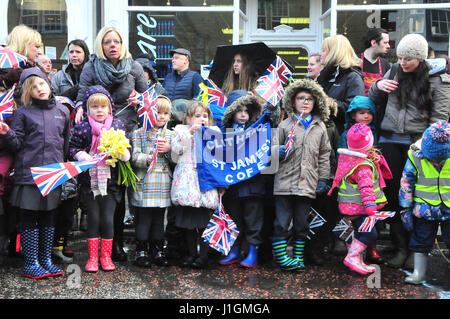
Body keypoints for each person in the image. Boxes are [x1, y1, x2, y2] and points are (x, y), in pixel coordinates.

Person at [369, 33, 450, 269]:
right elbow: (373, 99)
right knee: (393, 197)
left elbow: (440, 121)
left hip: (417, 146)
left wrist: (423, 146)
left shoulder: (438, 80)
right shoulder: (393, 70)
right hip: (389, 142)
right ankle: (400, 247)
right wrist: (378, 85)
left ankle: (416, 250)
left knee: (416, 199)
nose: (403, 63)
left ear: (421, 59)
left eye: (408, 59)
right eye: (400, 57)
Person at [75, 26, 148, 262]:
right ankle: (106, 247)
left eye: (116, 41)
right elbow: (82, 94)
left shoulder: (134, 66)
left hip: (125, 134)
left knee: (121, 190)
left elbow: (148, 99)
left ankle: (117, 244)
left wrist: (140, 100)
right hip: (98, 136)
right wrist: (79, 109)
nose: (113, 45)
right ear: (101, 45)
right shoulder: (91, 66)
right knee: (105, 193)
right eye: (107, 42)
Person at [0, 67, 70, 279]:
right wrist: (6, 133)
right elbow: (17, 144)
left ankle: (46, 259)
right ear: (27, 91)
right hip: (29, 174)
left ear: (48, 84)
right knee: (30, 217)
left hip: (53, 174)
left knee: (49, 217)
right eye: (34, 86)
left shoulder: (62, 111)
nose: (39, 88)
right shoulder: (22, 113)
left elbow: (65, 143)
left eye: (42, 84)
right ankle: (31, 262)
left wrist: (62, 168)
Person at [272, 79, 331, 272]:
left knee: (301, 224)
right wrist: (277, 151)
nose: (305, 102)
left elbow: (324, 154)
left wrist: (323, 178)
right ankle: (282, 258)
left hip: (307, 184)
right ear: (293, 100)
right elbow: (270, 151)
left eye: (310, 99)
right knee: (281, 222)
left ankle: (297, 257)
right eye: (301, 98)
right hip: (284, 182)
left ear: (316, 103)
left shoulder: (320, 126)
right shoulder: (285, 125)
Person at [69, 85, 130, 272]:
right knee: (94, 219)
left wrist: (122, 153)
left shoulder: (117, 125)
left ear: (110, 108)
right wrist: (81, 155)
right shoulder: (82, 127)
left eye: (103, 107)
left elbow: (128, 147)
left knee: (107, 219)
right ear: (88, 109)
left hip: (111, 183)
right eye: (94, 107)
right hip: (89, 182)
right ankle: (93, 257)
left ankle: (106, 256)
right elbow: (72, 148)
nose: (99, 110)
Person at [329, 123, 392, 275]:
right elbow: (366, 188)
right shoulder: (363, 166)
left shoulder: (350, 159)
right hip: (362, 207)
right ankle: (352, 257)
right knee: (370, 234)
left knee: (358, 232)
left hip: (353, 206)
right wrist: (371, 206)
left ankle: (358, 260)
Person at [218, 90, 265, 268]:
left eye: (247, 111)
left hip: (253, 186)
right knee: (234, 219)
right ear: (232, 111)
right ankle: (235, 250)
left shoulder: (259, 130)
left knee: (253, 220)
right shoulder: (223, 131)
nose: (244, 114)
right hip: (232, 186)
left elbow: (268, 157)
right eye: (239, 110)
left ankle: (253, 251)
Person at [170, 101, 220, 269]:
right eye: (197, 116)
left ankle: (203, 255)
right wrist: (190, 133)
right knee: (189, 223)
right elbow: (176, 152)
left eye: (205, 116)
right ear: (188, 119)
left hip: (206, 182)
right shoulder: (180, 130)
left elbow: (219, 157)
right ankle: (191, 253)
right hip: (187, 182)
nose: (201, 119)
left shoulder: (215, 132)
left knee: (205, 222)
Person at [399, 121, 450, 284]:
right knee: (421, 239)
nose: (435, 162)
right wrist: (405, 208)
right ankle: (418, 273)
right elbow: (407, 182)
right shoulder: (415, 155)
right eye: (433, 158)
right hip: (424, 208)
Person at [130, 96, 173, 268]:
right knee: (144, 218)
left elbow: (177, 157)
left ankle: (158, 250)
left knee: (159, 218)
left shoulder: (171, 134)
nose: (161, 117)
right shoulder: (138, 133)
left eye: (165, 113)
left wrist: (170, 150)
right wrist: (145, 159)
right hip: (145, 180)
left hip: (162, 181)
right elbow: (134, 157)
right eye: (157, 113)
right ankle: (141, 250)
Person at [317, 34, 365, 134]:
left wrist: (327, 102)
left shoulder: (352, 77)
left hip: (341, 136)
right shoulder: (326, 76)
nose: (320, 54)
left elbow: (353, 111)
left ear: (334, 52)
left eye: (323, 50)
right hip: (323, 133)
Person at [360, 28, 391, 96]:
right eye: (385, 42)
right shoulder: (355, 62)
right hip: (359, 106)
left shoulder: (385, 64)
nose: (388, 46)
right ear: (373, 43)